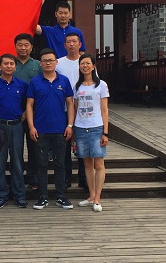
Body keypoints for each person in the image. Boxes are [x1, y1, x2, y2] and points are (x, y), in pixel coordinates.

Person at [26, 48, 75, 210]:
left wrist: (70, 125)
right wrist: (31, 126)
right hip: (40, 130)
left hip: (60, 129)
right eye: (45, 61)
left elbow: (70, 104)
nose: (48, 63)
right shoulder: (35, 82)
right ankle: (43, 197)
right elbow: (29, 105)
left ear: (56, 62)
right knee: (41, 164)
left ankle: (61, 196)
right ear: (40, 64)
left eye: (51, 60)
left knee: (60, 164)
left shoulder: (64, 81)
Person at [0, 53, 28, 209]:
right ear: (0, 66)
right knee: (0, 162)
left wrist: (24, 116)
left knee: (17, 161)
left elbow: (29, 104)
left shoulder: (22, 85)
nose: (9, 66)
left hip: (16, 126)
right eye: (6, 63)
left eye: (12, 64)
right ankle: (1, 195)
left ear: (15, 66)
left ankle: (19, 195)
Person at [73, 54, 109, 213]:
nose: (85, 66)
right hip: (81, 128)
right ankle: (91, 195)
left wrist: (105, 132)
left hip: (96, 128)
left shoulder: (101, 85)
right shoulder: (77, 86)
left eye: (88, 63)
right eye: (82, 63)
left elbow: (104, 110)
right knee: (87, 164)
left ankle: (98, 198)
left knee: (99, 164)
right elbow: (75, 108)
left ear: (93, 66)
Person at [55, 32, 88, 190]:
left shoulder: (86, 62)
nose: (72, 44)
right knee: (64, 146)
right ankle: (66, 178)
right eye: (68, 42)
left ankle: (84, 177)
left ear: (80, 44)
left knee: (82, 144)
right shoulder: (59, 63)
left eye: (75, 41)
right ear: (64, 45)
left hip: (83, 110)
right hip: (63, 109)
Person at [12, 33, 41, 189]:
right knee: (15, 149)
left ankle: (33, 178)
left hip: (34, 111)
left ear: (31, 47)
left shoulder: (38, 65)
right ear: (15, 47)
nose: (23, 48)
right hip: (14, 111)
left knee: (34, 147)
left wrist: (30, 111)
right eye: (20, 45)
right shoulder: (10, 64)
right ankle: (17, 179)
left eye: (26, 45)